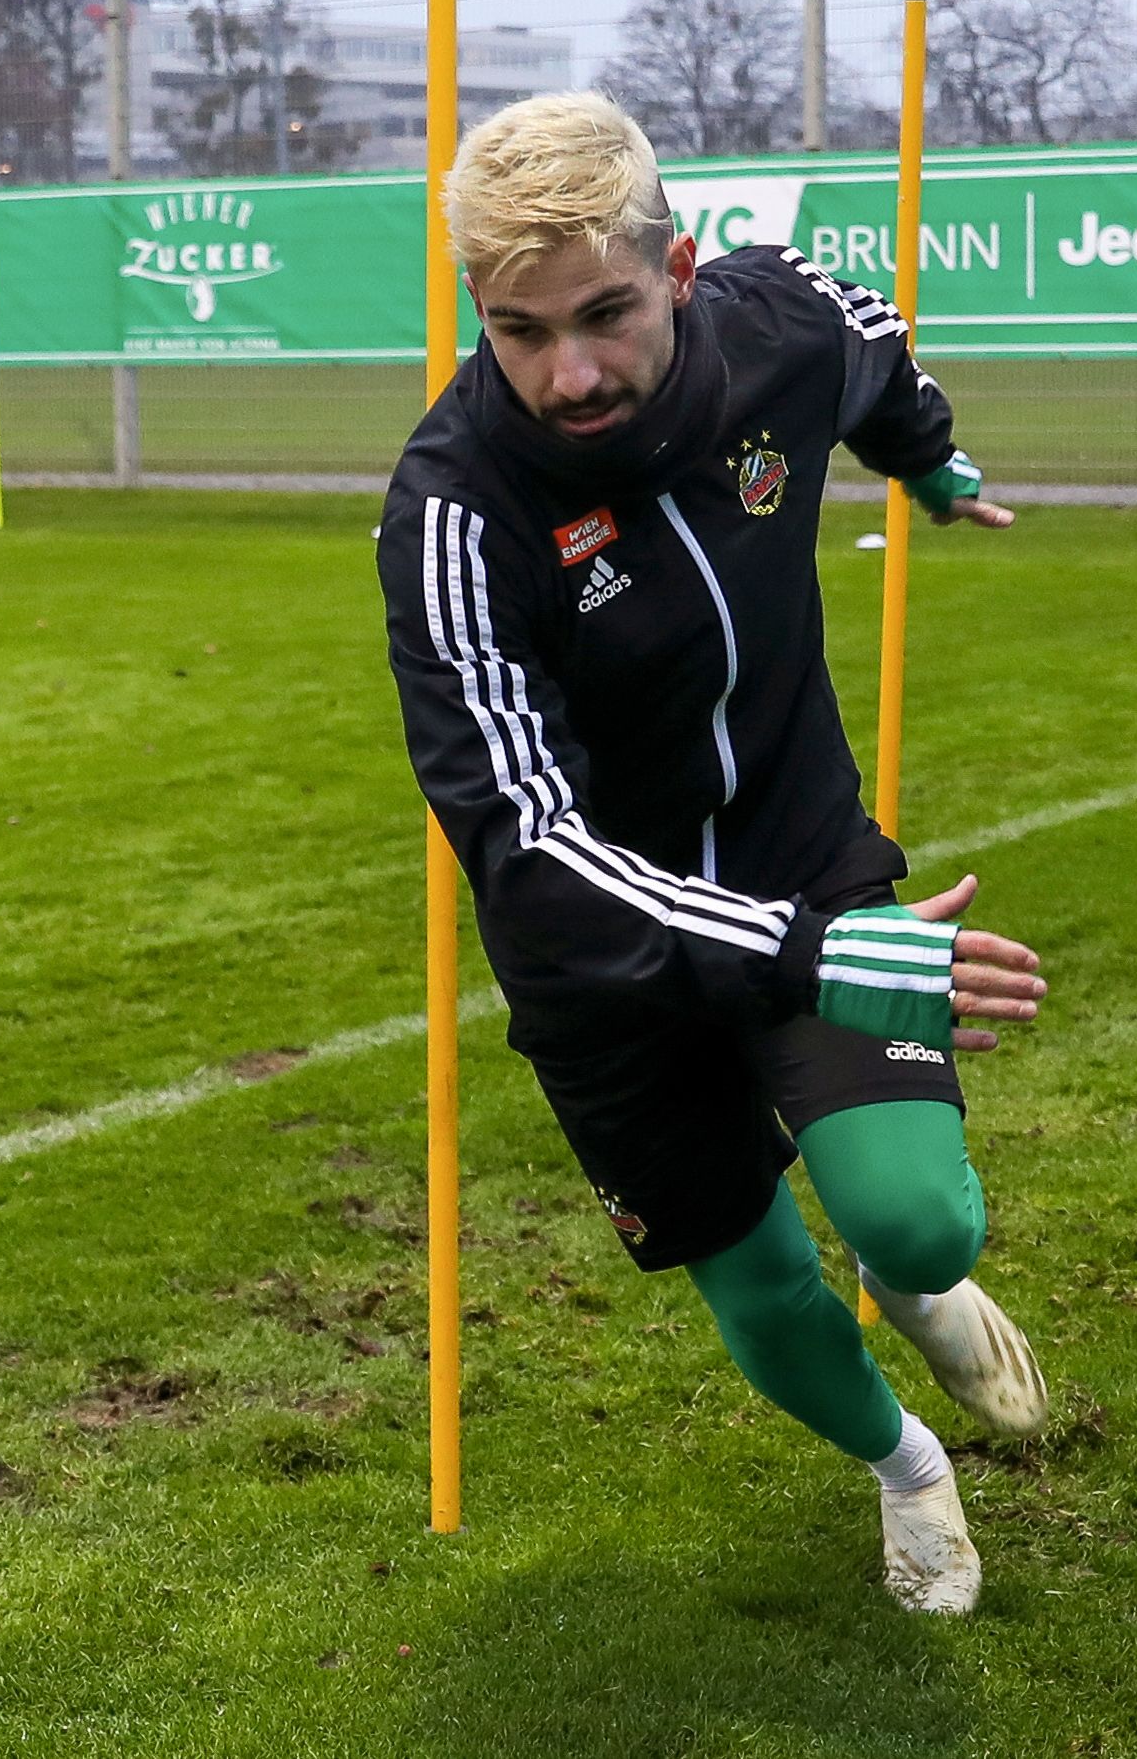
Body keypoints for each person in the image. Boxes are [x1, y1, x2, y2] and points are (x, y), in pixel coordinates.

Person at [376, 93, 1047, 1617]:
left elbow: (872, 346)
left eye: (605, 313)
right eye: (520, 330)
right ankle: (906, 1469)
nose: (571, 371)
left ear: (675, 265)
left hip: (798, 858)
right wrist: (810, 952)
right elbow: (527, 843)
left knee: (918, 1218)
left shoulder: (776, 317)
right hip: (600, 958)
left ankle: (922, 1282)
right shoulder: (454, 513)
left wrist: (928, 461)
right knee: (754, 1279)